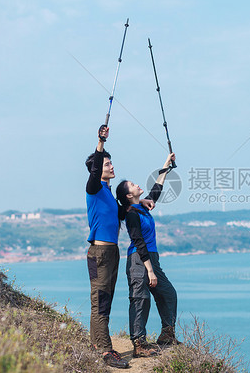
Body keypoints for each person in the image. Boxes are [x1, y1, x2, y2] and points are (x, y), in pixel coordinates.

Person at [85, 125, 154, 369]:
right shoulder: (93, 188)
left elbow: (124, 211)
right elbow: (94, 172)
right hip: (100, 252)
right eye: (107, 164)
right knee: (101, 301)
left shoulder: (108, 194)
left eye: (111, 163)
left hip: (111, 252)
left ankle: (96, 344)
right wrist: (100, 142)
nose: (111, 167)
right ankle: (105, 350)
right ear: (97, 170)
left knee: (105, 299)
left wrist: (142, 201)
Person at [116, 152, 181, 359]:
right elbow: (138, 242)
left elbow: (157, 189)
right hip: (138, 260)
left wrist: (166, 165)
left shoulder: (142, 207)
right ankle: (139, 344)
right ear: (128, 195)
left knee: (168, 293)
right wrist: (150, 270)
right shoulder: (132, 214)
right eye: (133, 185)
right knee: (140, 299)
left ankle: (167, 334)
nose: (137, 185)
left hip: (151, 258)